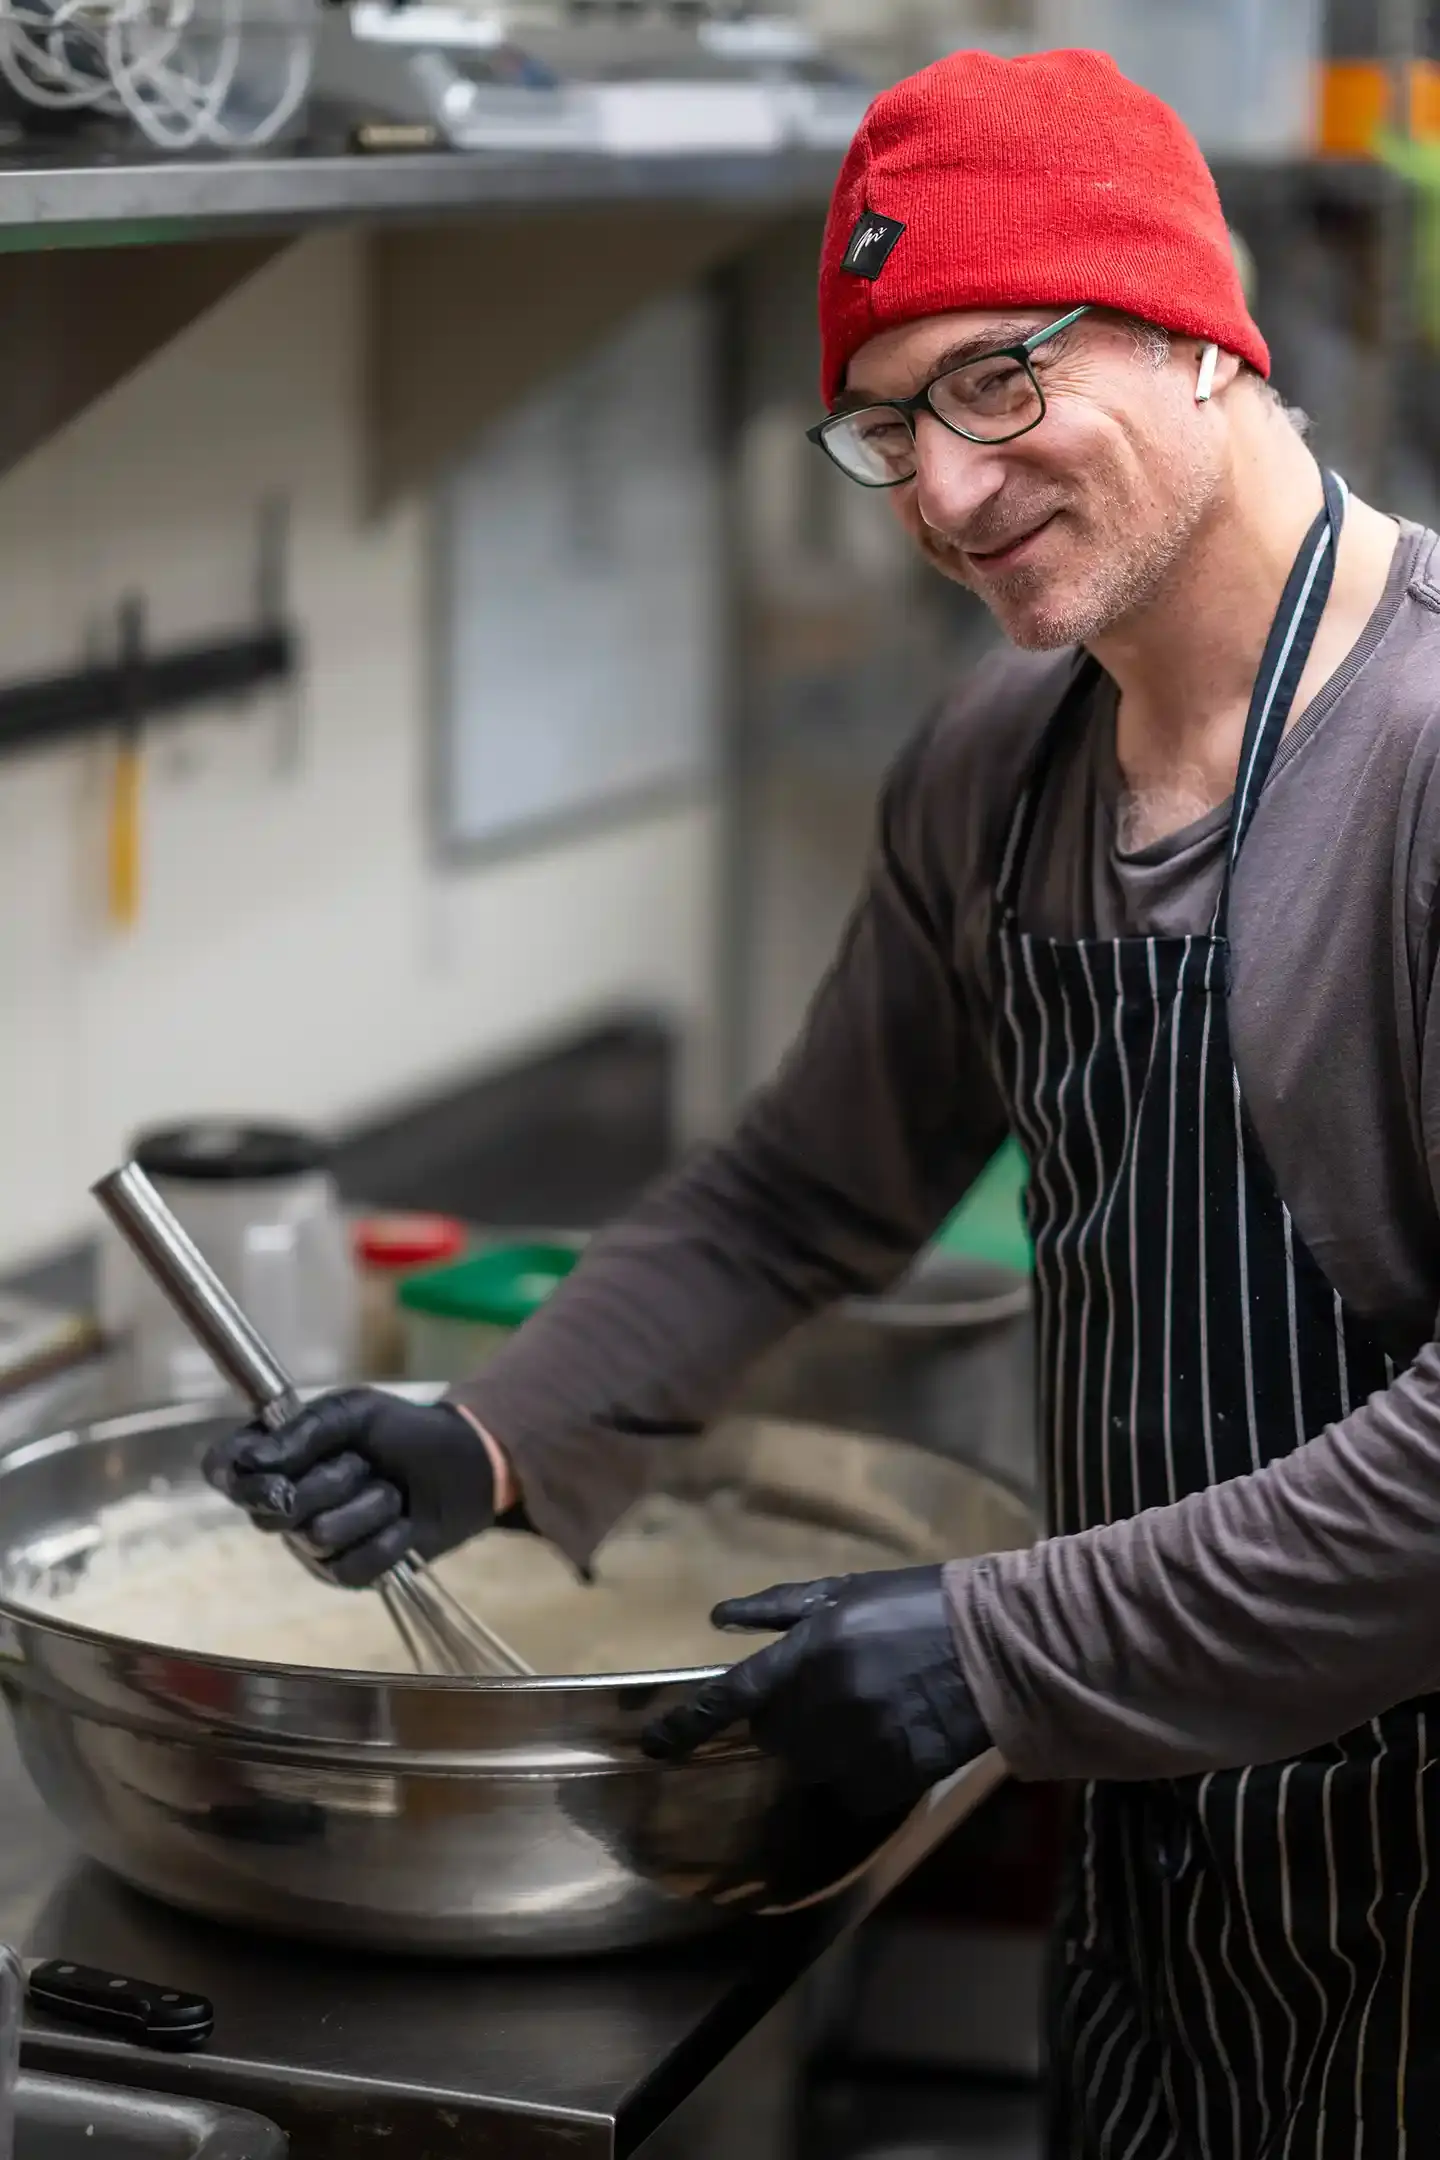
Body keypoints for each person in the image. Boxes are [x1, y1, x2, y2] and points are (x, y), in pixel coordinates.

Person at [205, 45, 1440, 2155]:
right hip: (1173, 1870)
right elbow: (799, 1194)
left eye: (995, 380)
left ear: (1196, 334)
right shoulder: (998, 767)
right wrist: (495, 1432)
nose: (943, 495)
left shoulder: (1415, 756)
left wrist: (1006, 1650)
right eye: (887, 423)